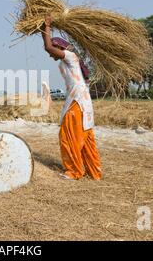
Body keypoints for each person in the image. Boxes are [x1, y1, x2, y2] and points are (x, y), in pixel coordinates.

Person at [41, 16, 102, 180]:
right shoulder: (65, 62)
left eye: (55, 49)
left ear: (59, 47)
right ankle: (94, 172)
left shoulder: (71, 56)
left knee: (69, 136)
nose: (50, 55)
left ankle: (74, 171)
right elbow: (48, 47)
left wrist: (46, 26)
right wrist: (43, 29)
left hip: (78, 103)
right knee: (86, 138)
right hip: (80, 101)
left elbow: (48, 47)